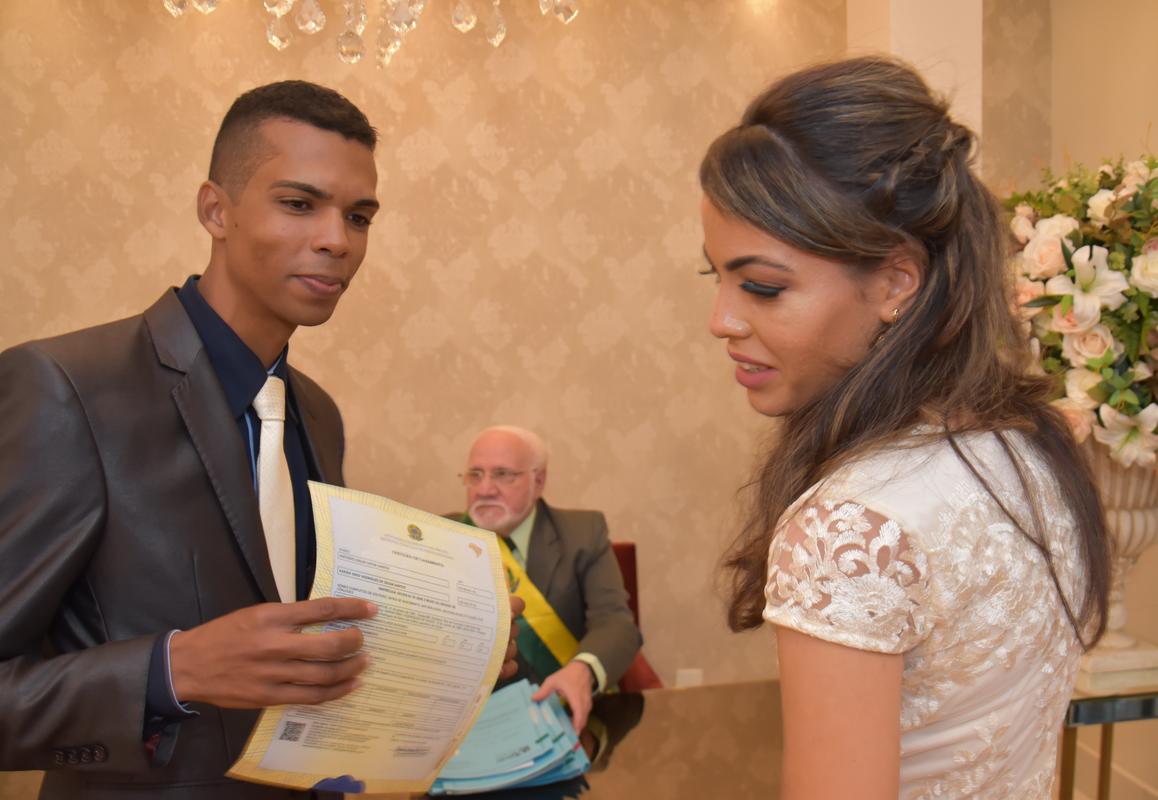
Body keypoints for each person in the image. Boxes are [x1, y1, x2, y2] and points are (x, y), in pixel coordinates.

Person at [0, 81, 519, 799]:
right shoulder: (67, 388)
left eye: (359, 216)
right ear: (214, 210)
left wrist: (444, 660)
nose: (337, 240)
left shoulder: (317, 414)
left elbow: (299, 654)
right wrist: (172, 671)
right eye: (299, 203)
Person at [700, 57, 1112, 799]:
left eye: (762, 286)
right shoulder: (1029, 446)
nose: (722, 320)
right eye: (718, 277)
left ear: (896, 282)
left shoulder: (850, 529)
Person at [448, 426, 641, 734]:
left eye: (502, 474)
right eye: (475, 474)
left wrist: (582, 670)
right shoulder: (440, 535)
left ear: (538, 481)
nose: (484, 489)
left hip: (563, 719)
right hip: (468, 726)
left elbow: (615, 621)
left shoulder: (583, 533)